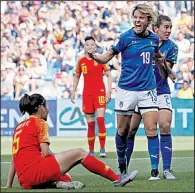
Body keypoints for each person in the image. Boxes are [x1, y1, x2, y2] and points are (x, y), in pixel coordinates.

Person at [86, 3, 175, 180]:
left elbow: (157, 56)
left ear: (148, 20)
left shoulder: (153, 39)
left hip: (148, 90)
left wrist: (168, 70)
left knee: (151, 129)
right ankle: (122, 166)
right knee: (123, 130)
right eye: (135, 17)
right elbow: (105, 58)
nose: (137, 20)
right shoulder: (124, 38)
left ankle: (155, 172)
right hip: (126, 90)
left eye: (141, 17)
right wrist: (93, 55)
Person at [5, 93, 138, 190]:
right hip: (36, 172)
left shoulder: (19, 127)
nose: (48, 109)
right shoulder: (40, 123)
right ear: (41, 107)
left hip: (24, 181)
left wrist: (9, 185)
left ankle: (55, 184)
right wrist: (63, 160)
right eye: (46, 106)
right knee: (79, 153)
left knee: (66, 177)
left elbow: (14, 160)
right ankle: (117, 178)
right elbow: (45, 152)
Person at [127, 15, 179, 180]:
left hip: (161, 92)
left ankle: (166, 170)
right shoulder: (143, 42)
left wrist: (160, 63)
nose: (168, 30)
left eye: (170, 27)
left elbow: (165, 75)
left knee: (164, 126)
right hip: (141, 91)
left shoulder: (172, 47)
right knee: (130, 130)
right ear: (156, 29)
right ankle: (123, 170)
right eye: (165, 27)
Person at [71, 36, 112, 158]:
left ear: (95, 46)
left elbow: (109, 75)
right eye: (88, 45)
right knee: (90, 124)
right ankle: (91, 150)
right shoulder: (81, 61)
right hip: (87, 94)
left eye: (92, 45)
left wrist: (109, 92)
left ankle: (103, 149)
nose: (90, 47)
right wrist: (74, 91)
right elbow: (77, 75)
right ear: (84, 47)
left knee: (100, 120)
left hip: (99, 92)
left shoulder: (101, 59)